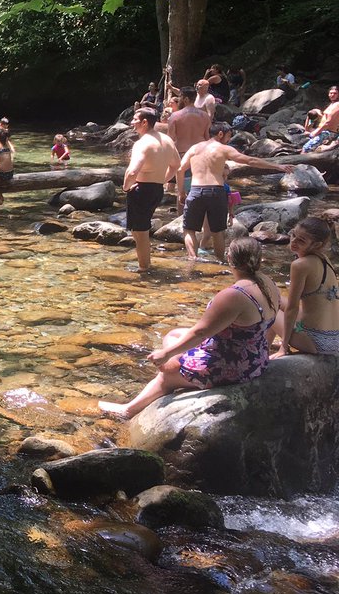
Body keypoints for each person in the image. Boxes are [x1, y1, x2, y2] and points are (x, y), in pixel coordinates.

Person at [99, 238, 279, 419]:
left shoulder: (234, 295)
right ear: (259, 260)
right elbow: (285, 310)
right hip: (255, 358)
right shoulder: (267, 283)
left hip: (232, 366)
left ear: (229, 257)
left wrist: (166, 354)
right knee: (174, 334)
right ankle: (174, 372)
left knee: (167, 373)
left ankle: (129, 409)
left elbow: (200, 333)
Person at [177, 123, 292, 260]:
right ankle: (220, 262)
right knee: (218, 232)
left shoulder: (194, 148)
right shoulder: (224, 149)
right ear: (220, 134)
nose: (228, 139)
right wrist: (277, 166)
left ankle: (192, 259)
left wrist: (181, 192)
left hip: (196, 191)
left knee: (189, 229)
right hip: (216, 191)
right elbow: (250, 160)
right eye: (228, 136)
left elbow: (179, 170)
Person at [123, 108, 181, 272]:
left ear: (144, 122)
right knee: (139, 230)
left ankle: (144, 269)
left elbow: (133, 171)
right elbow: (176, 165)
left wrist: (126, 187)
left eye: (135, 119)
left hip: (141, 190)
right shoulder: (167, 140)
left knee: (140, 233)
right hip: (156, 190)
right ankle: (146, 263)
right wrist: (162, 180)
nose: (132, 122)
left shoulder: (142, 143)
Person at [276, 217, 339, 355]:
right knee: (275, 298)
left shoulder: (300, 265)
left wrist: (283, 346)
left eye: (301, 240)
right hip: (335, 339)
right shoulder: (325, 259)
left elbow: (292, 308)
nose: (293, 241)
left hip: (317, 341)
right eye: (293, 235)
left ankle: (263, 355)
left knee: (267, 308)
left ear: (316, 245)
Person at [303, 86, 339, 152]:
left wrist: (315, 133)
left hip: (329, 132)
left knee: (306, 148)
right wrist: (318, 113)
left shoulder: (337, 105)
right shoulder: (332, 104)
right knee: (311, 113)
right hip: (323, 129)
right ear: (328, 94)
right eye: (331, 93)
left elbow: (328, 122)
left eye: (335, 93)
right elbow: (325, 118)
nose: (332, 95)